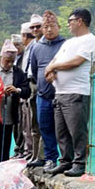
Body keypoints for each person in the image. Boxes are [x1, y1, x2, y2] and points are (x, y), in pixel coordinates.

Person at [43, 9, 95, 177]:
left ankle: (79, 163)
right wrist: (49, 70)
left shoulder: (90, 40)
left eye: (70, 20)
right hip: (60, 92)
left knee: (77, 130)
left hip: (76, 92)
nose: (68, 24)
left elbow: (77, 61)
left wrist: (53, 68)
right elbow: (54, 61)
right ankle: (66, 161)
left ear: (80, 21)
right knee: (61, 131)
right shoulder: (68, 43)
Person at [26, 11, 65, 171]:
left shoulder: (65, 45)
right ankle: (50, 158)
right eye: (46, 27)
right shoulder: (36, 47)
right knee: (45, 126)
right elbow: (34, 71)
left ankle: (65, 159)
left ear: (59, 27)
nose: (49, 30)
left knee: (62, 128)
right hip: (42, 94)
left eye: (52, 26)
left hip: (61, 93)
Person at [0, 39, 30, 163]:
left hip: (8, 115)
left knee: (4, 145)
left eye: (12, 61)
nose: (9, 64)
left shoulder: (17, 72)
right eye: (7, 61)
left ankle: (2, 170)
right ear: (1, 58)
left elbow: (27, 91)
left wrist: (17, 90)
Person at [17, 16, 43, 161]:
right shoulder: (29, 48)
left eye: (37, 27)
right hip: (29, 84)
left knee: (36, 122)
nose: (35, 30)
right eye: (32, 28)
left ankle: (36, 154)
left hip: (37, 84)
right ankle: (30, 153)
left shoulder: (35, 46)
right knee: (27, 122)